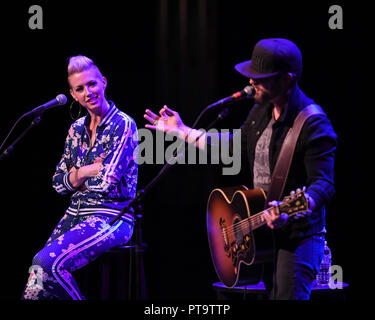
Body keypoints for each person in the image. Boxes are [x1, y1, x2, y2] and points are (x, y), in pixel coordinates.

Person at [144, 38, 337, 300]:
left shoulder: (313, 123)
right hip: (263, 233)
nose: (251, 83)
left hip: (298, 237)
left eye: (261, 78)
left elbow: (324, 185)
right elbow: (230, 147)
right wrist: (182, 131)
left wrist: (292, 211)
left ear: (287, 80)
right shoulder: (260, 112)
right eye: (252, 76)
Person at [22, 55, 138, 300]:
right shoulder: (75, 129)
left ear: (104, 82)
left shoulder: (123, 124)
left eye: (92, 84)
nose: (88, 92)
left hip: (111, 216)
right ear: (73, 95)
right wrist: (86, 171)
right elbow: (57, 183)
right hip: (75, 214)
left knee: (46, 263)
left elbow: (106, 183)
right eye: (80, 88)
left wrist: (75, 177)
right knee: (36, 278)